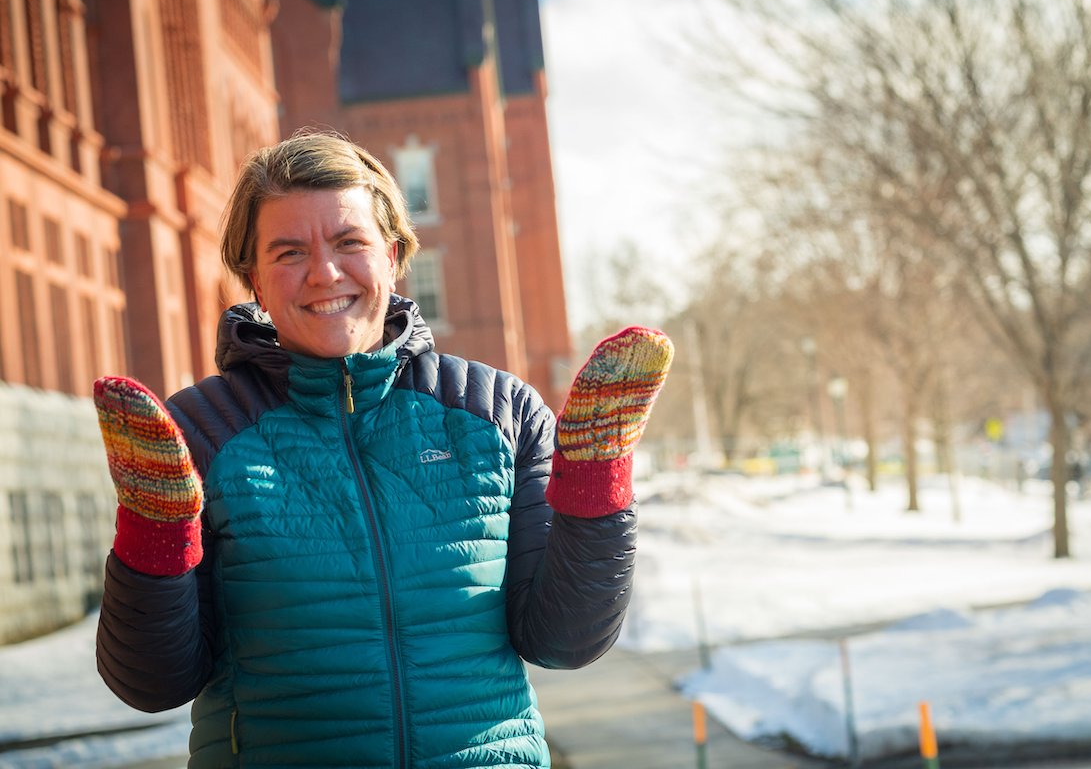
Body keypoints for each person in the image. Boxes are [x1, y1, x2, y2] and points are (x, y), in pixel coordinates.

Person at [92, 131, 673, 768]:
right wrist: (156, 529)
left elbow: (564, 640)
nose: (324, 273)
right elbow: (152, 683)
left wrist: (596, 483)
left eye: (350, 242)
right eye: (289, 252)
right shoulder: (202, 432)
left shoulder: (495, 413)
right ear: (253, 280)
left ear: (393, 256)